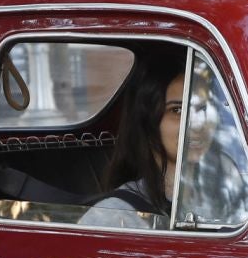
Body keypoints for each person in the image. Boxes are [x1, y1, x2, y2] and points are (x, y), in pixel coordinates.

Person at [82, 64, 215, 229]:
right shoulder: (114, 216)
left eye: (203, 108)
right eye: (177, 110)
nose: (198, 123)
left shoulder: (230, 197)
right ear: (147, 122)